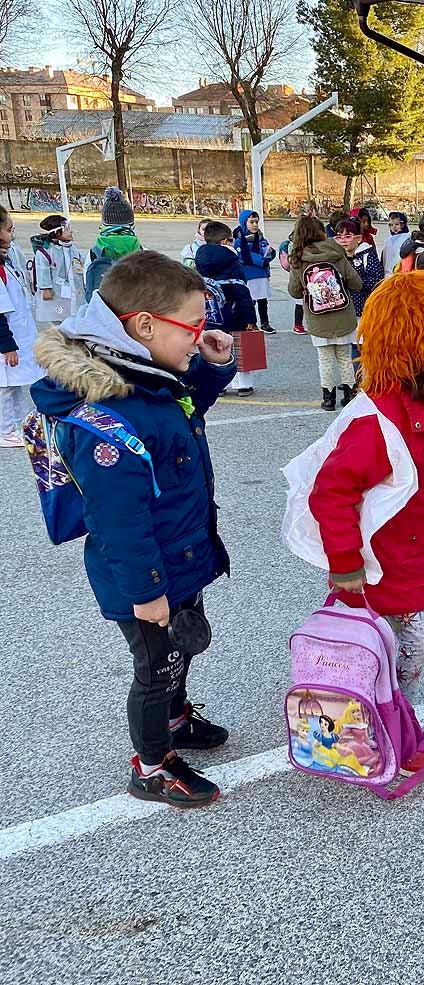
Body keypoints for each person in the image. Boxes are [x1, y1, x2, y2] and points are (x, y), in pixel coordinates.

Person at [30, 251, 238, 807]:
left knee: (179, 656)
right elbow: (119, 522)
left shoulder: (146, 377)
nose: (200, 335)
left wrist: (212, 367)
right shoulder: (105, 416)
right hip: (147, 573)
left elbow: (182, 412)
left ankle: (173, 719)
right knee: (157, 666)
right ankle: (151, 765)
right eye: (193, 326)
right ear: (144, 325)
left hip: (178, 553)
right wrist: (147, 593)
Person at [305, 269, 424, 778]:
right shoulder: (379, 422)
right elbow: (331, 492)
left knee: (405, 655)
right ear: (418, 348)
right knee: (382, 659)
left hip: (415, 561)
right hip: (377, 572)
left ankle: (384, 731)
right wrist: (344, 566)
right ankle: (382, 738)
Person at [286, 215, 363, 411]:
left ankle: (328, 399)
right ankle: (349, 393)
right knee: (345, 356)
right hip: (343, 314)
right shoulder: (336, 253)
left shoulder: (297, 258)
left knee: (326, 359)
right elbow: (356, 283)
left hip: (317, 317)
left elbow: (294, 290)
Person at [194, 220, 259, 396]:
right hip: (233, 312)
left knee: (214, 346)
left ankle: (219, 383)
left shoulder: (199, 259)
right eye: (231, 240)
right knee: (238, 345)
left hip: (210, 314)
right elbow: (242, 293)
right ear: (224, 241)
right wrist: (250, 319)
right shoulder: (232, 262)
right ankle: (243, 384)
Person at [0, 206, 42, 447]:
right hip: (7, 344)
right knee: (5, 390)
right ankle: (5, 430)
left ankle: (20, 422)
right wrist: (8, 347)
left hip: (17, 338)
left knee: (16, 386)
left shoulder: (7, 261)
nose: (12, 234)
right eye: (9, 229)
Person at [84, 187, 142, 302]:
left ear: (104, 223)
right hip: (133, 309)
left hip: (104, 310)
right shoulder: (141, 251)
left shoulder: (94, 252)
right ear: (131, 223)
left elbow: (87, 283)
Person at [31, 214, 85, 326]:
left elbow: (79, 262)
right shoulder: (45, 252)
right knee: (58, 316)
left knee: (74, 312)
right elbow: (43, 270)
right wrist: (46, 288)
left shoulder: (72, 248)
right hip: (57, 291)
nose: (71, 232)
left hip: (73, 288)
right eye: (67, 229)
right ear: (56, 232)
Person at [234, 209, 277, 335]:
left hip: (261, 275)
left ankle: (265, 322)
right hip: (249, 275)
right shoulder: (239, 240)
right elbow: (244, 255)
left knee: (263, 301)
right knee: (250, 301)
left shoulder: (261, 238)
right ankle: (250, 322)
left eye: (256, 222)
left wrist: (270, 253)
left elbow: (265, 250)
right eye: (252, 222)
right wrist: (261, 260)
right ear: (244, 223)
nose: (255, 225)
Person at [334, 218, 385, 318]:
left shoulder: (367, 254)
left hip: (363, 308)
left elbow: (377, 280)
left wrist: (352, 282)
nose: (343, 240)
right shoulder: (336, 256)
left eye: (348, 236)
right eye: (339, 237)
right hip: (341, 310)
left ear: (358, 238)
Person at [276, 236, 306, 335]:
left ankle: (300, 324)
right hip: (298, 275)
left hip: (304, 275)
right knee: (300, 302)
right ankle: (298, 324)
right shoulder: (293, 246)